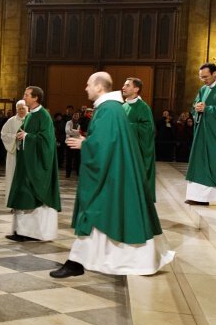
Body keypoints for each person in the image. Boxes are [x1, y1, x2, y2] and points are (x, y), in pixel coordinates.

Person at [51, 72, 173, 278]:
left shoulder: (108, 109)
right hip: (116, 171)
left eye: (88, 84)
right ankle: (79, 260)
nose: (85, 88)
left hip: (112, 174)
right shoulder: (112, 107)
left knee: (94, 211)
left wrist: (85, 144)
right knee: (100, 214)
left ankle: (77, 262)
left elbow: (105, 144)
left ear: (99, 87)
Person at [6, 86, 60, 243]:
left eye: (27, 95)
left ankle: (31, 232)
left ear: (36, 98)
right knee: (22, 194)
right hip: (25, 163)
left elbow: (47, 140)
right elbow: (23, 132)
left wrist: (28, 136)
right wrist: (20, 135)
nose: (24, 97)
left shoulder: (44, 116)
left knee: (29, 195)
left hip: (36, 165)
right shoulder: (30, 116)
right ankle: (20, 230)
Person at [185, 63, 216, 205]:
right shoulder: (203, 89)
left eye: (206, 77)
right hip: (203, 133)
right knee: (200, 162)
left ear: (215, 74)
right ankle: (199, 197)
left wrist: (208, 109)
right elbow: (195, 106)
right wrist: (197, 108)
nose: (203, 80)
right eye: (201, 77)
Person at [121, 77, 156, 201]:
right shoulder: (123, 106)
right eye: (124, 85)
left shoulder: (143, 107)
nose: (123, 87)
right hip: (124, 150)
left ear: (136, 89)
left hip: (137, 151)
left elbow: (148, 130)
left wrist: (127, 127)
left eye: (127, 85)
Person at [0, 100, 27, 197]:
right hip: (14, 153)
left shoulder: (31, 120)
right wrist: (14, 136)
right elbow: (3, 134)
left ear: (27, 108)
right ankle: (12, 201)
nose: (21, 110)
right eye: (19, 109)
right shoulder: (11, 121)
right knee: (13, 176)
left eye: (23, 108)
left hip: (28, 155)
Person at [64, 112, 82, 178]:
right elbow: (67, 131)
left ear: (79, 116)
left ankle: (78, 173)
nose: (76, 116)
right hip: (69, 142)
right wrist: (76, 132)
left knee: (78, 159)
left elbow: (80, 133)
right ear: (72, 115)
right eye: (74, 115)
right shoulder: (68, 122)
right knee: (69, 159)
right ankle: (67, 174)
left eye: (77, 115)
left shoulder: (80, 123)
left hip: (77, 142)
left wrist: (72, 131)